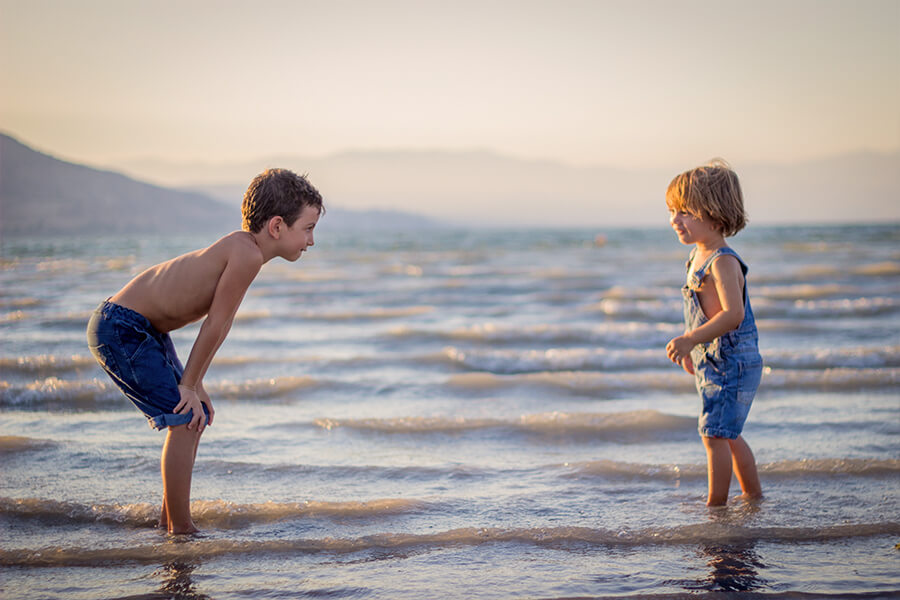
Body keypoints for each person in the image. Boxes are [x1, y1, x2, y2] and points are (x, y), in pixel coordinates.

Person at [87, 168, 324, 533]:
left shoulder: (247, 252)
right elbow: (214, 325)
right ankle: (180, 530)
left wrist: (196, 384)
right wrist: (188, 386)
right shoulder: (245, 253)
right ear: (277, 227)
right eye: (308, 228)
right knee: (183, 419)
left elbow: (221, 324)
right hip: (122, 327)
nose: (311, 240)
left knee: (194, 417)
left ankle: (170, 521)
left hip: (143, 329)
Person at [664, 159, 763, 506]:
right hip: (714, 360)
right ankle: (753, 497)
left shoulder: (722, 261)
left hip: (732, 361)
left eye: (685, 212)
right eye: (673, 211)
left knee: (714, 435)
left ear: (715, 215)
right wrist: (694, 349)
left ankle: (716, 507)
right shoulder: (695, 256)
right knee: (727, 434)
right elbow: (700, 314)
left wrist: (692, 339)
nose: (675, 220)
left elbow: (733, 315)